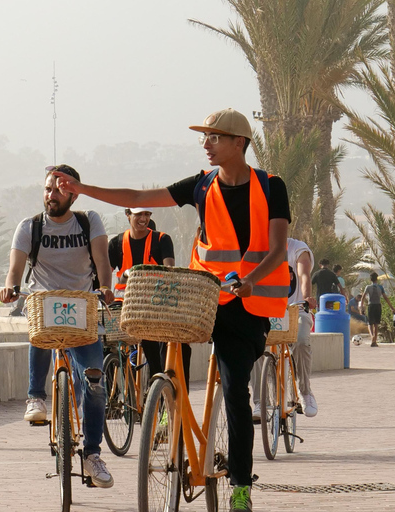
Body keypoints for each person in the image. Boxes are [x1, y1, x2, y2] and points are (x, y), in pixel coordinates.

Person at [52, 108, 290, 512]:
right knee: (167, 349)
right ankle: (167, 409)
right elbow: (139, 198)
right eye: (205, 138)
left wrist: (249, 280)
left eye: (214, 137)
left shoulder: (271, 186)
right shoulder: (201, 185)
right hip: (203, 297)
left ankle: (240, 487)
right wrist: (83, 188)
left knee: (234, 390)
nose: (206, 144)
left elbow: (277, 248)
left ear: (239, 143)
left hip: (247, 305)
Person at [0, 164, 116, 488]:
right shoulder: (30, 227)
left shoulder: (88, 221)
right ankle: (35, 396)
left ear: (73, 193)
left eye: (60, 189)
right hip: (45, 303)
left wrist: (106, 287)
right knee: (40, 321)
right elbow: (15, 268)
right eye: (48, 188)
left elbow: (103, 262)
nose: (52, 195)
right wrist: (9, 288)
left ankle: (92, 454)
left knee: (94, 381)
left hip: (82, 307)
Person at [108, 207, 191, 388]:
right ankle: (108, 393)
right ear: (128, 215)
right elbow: (106, 275)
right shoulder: (116, 243)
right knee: (105, 340)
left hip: (154, 304)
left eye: (147, 214)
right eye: (139, 214)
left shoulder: (162, 240)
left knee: (160, 342)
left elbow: (169, 271)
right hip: (125, 303)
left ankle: (160, 389)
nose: (143, 218)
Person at [251, 238, 318, 419]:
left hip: (295, 309)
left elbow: (303, 274)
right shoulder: (256, 247)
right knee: (253, 343)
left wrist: (306, 297)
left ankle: (305, 391)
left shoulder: (298, 249)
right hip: (266, 309)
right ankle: (260, 402)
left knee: (302, 340)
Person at [360, 272, 395, 347]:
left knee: (370, 323)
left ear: (370, 279)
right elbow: (386, 298)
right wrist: (392, 308)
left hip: (371, 305)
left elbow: (363, 297)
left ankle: (372, 337)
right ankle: (374, 340)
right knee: (376, 324)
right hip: (378, 306)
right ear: (377, 279)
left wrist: (361, 307)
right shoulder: (380, 287)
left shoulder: (368, 287)